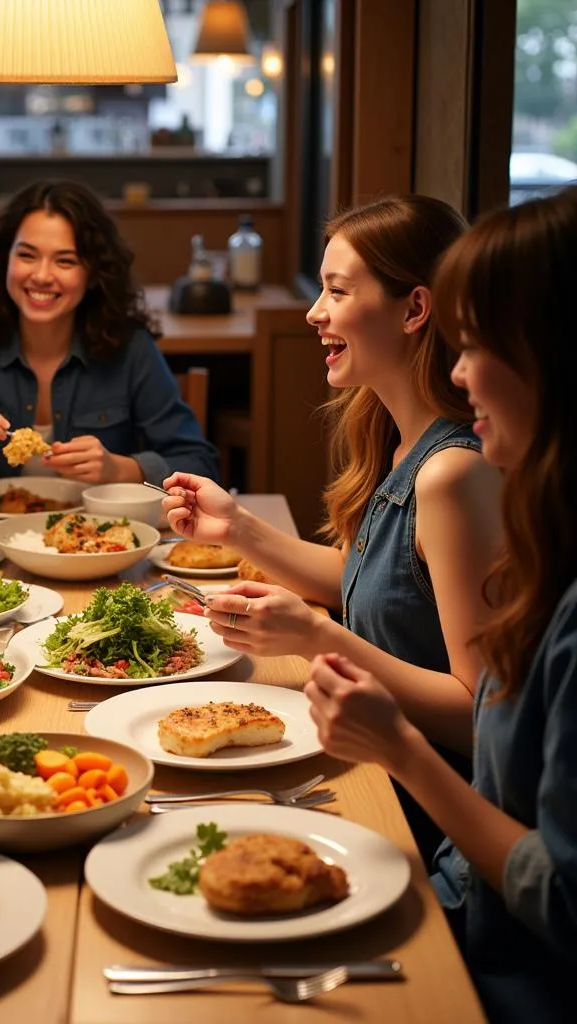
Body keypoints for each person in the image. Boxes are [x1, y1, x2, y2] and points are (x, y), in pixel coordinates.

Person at [305, 188, 577, 1024]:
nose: (460, 372)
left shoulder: (455, 471)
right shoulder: (541, 529)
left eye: (480, 342)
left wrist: (399, 749)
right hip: (463, 889)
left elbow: (561, 900)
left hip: (504, 971)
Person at [162, 196, 503, 858]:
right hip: (367, 762)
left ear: (414, 309)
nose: (315, 312)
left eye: (337, 291)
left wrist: (319, 637)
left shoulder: (451, 474)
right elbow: (372, 579)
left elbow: (476, 713)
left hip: (424, 814)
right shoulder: (393, 437)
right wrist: (236, 529)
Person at [0, 179, 219, 493]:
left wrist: (120, 469)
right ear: (5, 260)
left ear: (94, 274)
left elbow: (201, 466)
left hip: (97, 545)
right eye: (26, 255)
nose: (42, 276)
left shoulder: (129, 346)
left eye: (65, 261)